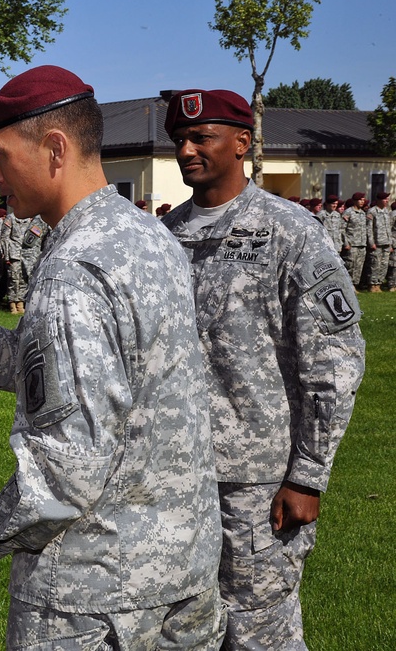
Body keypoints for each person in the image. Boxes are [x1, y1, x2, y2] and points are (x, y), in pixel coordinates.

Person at [0, 65, 223, 650]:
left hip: (93, 597)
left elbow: (65, 475)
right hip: (182, 572)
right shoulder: (145, 235)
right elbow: (67, 382)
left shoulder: (74, 271)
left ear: (55, 148)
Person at [161, 89, 365, 650]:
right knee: (184, 628)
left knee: (259, 631)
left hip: (258, 480)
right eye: (179, 139)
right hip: (174, 473)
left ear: (243, 143)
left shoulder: (290, 231)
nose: (186, 150)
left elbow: (335, 360)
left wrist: (308, 475)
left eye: (202, 138)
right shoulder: (164, 237)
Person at [341, 192, 368, 287]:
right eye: (360, 200)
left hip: (362, 244)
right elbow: (342, 229)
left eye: (363, 200)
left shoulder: (363, 213)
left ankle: (355, 285)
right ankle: (348, 286)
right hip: (352, 244)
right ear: (355, 201)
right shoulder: (348, 212)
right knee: (350, 266)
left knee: (359, 267)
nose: (362, 202)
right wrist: (346, 243)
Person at [367, 191, 392, 292]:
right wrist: (371, 242)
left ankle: (379, 283)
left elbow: (388, 228)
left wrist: (390, 243)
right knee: (375, 264)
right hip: (377, 243)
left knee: (384, 265)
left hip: (386, 243)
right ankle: (372, 285)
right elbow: (369, 229)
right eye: (385, 199)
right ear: (379, 200)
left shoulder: (386, 211)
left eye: (387, 199)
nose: (387, 201)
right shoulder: (372, 211)